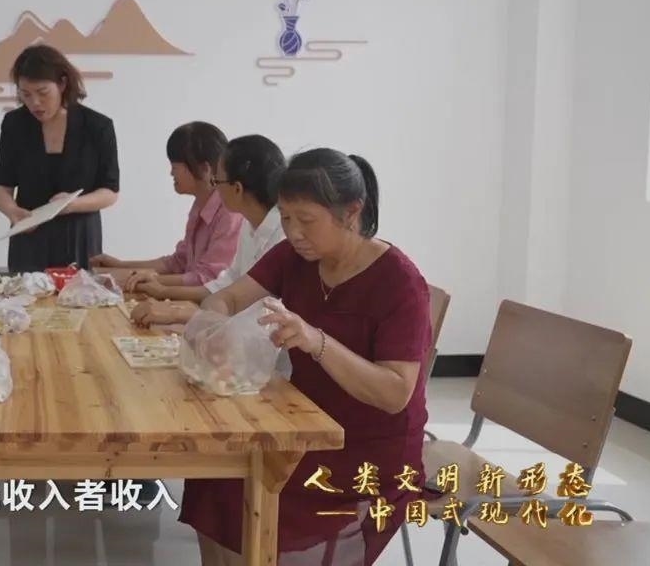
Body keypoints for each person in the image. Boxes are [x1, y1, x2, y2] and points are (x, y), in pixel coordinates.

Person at [179, 148, 431, 566]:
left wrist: (316, 341)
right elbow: (228, 297)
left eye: (306, 220)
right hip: (304, 422)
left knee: (251, 488)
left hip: (365, 450)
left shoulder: (399, 283)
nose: (294, 232)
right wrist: (216, 325)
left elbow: (395, 393)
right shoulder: (295, 257)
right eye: (285, 218)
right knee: (214, 474)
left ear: (352, 213)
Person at [129, 135, 287, 326]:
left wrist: (178, 310)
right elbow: (227, 284)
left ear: (237, 189)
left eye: (217, 181)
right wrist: (164, 292)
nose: (215, 189)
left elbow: (256, 312)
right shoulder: (249, 224)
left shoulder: (283, 237)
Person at [0, 45, 120, 272]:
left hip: (79, 237)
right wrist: (12, 211)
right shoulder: (15, 124)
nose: (35, 103)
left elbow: (110, 192)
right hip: (29, 237)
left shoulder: (97, 126)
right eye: (25, 94)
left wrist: (72, 205)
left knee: (79, 293)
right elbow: (1, 189)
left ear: (62, 84)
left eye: (42, 93)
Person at [91, 122, 242, 288]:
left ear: (204, 168)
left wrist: (150, 280)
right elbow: (179, 262)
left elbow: (210, 279)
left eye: (175, 166)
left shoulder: (229, 214)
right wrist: (121, 265)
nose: (171, 173)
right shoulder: (201, 203)